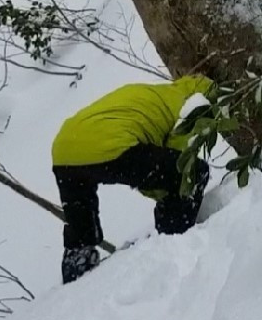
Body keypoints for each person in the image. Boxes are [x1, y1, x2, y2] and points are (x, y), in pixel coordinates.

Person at [51, 74, 215, 284]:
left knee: (80, 212)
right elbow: (180, 159)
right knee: (192, 173)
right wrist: (162, 197)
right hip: (112, 146)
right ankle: (172, 238)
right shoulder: (194, 106)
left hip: (64, 149)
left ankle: (77, 261)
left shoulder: (158, 93)